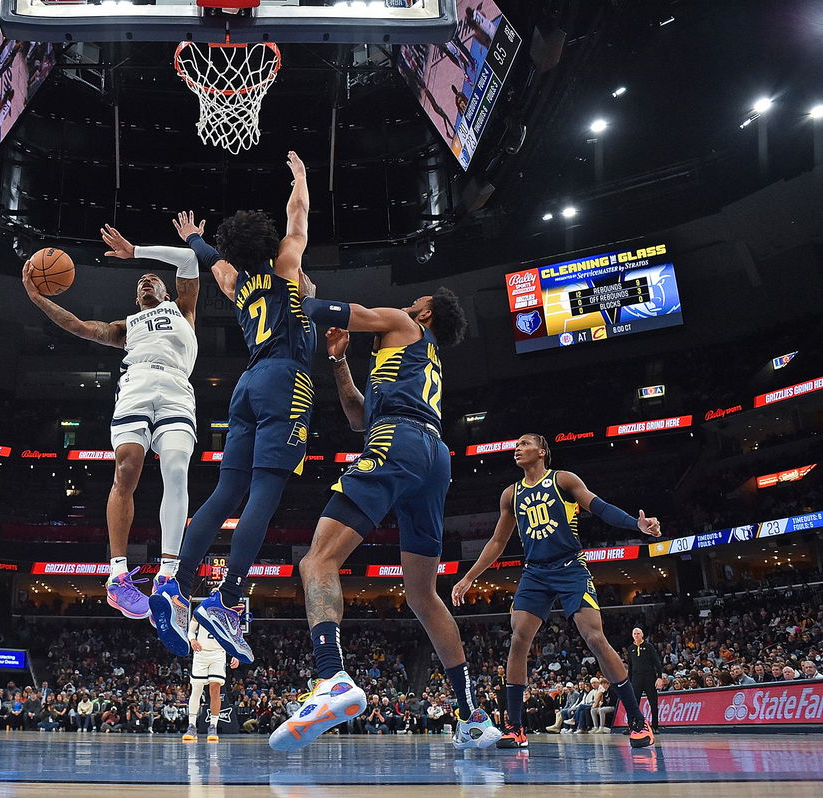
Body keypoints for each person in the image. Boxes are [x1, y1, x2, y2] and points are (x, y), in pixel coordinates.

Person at [270, 291, 499, 752]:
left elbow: (324, 310)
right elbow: (359, 417)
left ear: (426, 313)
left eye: (415, 300)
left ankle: (331, 677)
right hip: (432, 456)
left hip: (398, 440)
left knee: (316, 561)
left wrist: (297, 284)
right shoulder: (414, 358)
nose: (405, 302)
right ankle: (469, 716)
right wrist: (338, 362)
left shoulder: (401, 322)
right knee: (421, 594)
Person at [152, 151, 349, 664]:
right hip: (285, 378)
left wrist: (193, 237)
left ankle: (174, 584)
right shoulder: (287, 268)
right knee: (264, 491)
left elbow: (208, 256)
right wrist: (302, 179)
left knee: (225, 492)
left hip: (246, 386)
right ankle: (231, 598)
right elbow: (298, 218)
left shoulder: (233, 280)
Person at [23, 221, 201, 622]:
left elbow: (189, 257)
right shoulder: (126, 327)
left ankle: (168, 576)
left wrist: (136, 251)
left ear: (167, 291)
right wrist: (38, 298)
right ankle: (118, 577)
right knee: (126, 469)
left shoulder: (184, 310)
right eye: (140, 283)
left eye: (152, 280)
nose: (145, 283)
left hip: (176, 386)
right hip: (136, 384)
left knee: (176, 468)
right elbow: (80, 327)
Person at [451, 433, 661, 749]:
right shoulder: (511, 493)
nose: (517, 449)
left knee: (594, 637)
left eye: (523, 444)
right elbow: (497, 541)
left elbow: (599, 507)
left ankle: (637, 721)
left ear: (542, 451)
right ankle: (516, 728)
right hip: (535, 572)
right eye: (515, 446)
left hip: (570, 566)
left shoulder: (563, 479)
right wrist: (469, 577)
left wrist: (637, 524)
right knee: (518, 639)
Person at [182, 614, 239, 743]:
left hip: (218, 654)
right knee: (196, 689)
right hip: (201, 653)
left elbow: (234, 636)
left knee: (215, 690)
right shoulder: (201, 611)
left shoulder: (227, 614)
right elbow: (190, 631)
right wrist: (192, 640)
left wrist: (236, 654)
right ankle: (191, 726)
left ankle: (213, 727)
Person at [626, 627, 662, 733]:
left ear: (642, 635)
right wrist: (629, 681)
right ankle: (632, 726)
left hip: (649, 677)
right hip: (636, 679)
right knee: (633, 703)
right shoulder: (630, 648)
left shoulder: (649, 646)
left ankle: (655, 726)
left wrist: (659, 677)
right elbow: (630, 666)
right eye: (634, 633)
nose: (636, 635)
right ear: (632, 635)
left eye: (638, 633)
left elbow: (656, 662)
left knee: (653, 702)